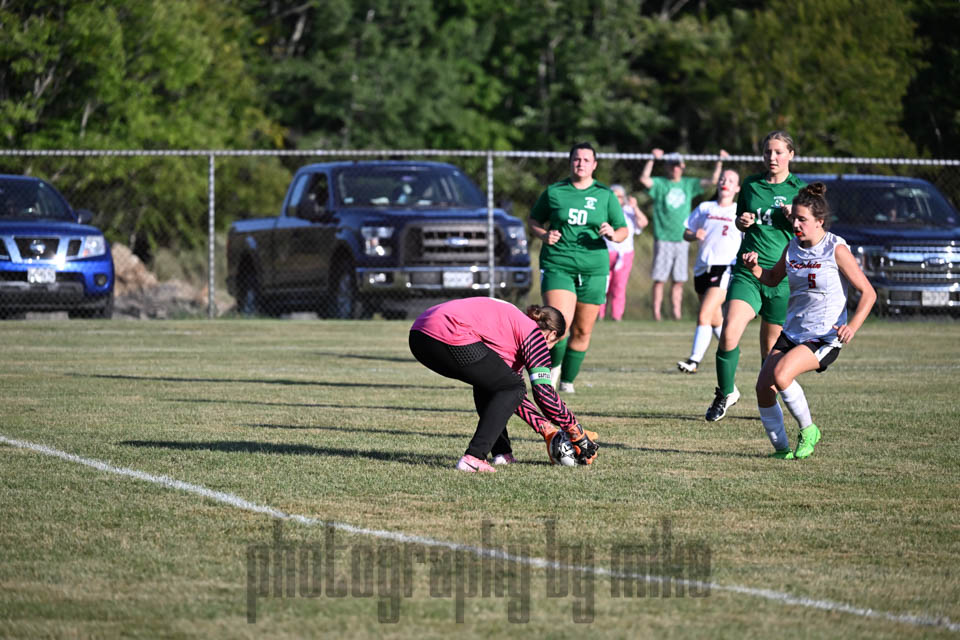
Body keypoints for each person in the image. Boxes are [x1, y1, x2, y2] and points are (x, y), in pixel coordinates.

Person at [742, 183, 876, 458]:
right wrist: (754, 267)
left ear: (820, 222)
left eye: (802, 219)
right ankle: (781, 451)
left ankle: (809, 430)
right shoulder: (792, 247)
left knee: (782, 376)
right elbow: (771, 278)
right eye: (794, 218)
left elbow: (868, 293)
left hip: (825, 336)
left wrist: (852, 327)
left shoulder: (835, 249)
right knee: (763, 389)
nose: (796, 224)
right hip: (793, 332)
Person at [408, 297, 600, 472]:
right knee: (512, 387)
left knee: (493, 384)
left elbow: (510, 394)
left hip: (419, 334)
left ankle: (502, 454)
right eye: (554, 343)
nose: (550, 348)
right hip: (449, 331)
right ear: (552, 335)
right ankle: (473, 457)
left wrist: (546, 428)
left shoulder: (511, 326)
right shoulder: (533, 334)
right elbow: (544, 394)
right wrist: (576, 431)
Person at [705, 131, 806, 422]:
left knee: (770, 352)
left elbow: (810, 233)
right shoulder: (751, 185)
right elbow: (742, 222)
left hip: (783, 276)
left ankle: (767, 404)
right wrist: (742, 221)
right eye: (767, 152)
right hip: (748, 273)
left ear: (791, 155)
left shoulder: (801, 189)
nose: (772, 158)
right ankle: (725, 392)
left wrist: (794, 220)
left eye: (778, 152)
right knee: (729, 332)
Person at [529, 142, 628, 393]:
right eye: (576, 159)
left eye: (586, 159)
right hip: (558, 263)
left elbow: (623, 229)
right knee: (557, 325)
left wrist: (613, 234)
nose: (580, 163)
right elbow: (534, 219)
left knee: (583, 330)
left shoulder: (604, 195)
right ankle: (548, 375)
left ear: (594, 165)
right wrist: (543, 234)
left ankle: (567, 382)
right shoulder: (555, 191)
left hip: (594, 268)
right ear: (570, 162)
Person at [640, 148, 729, 321]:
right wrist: (652, 159)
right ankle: (656, 314)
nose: (675, 169)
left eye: (678, 166)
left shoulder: (688, 184)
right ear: (667, 167)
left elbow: (712, 181)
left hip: (682, 238)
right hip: (663, 237)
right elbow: (644, 179)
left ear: (682, 167)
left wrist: (719, 161)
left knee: (678, 280)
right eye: (671, 166)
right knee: (659, 279)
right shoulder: (661, 184)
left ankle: (676, 313)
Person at [677, 169, 742, 373]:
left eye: (731, 180)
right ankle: (733, 351)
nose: (725, 182)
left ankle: (694, 361)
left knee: (704, 315)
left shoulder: (739, 212)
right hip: (702, 267)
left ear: (737, 188)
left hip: (724, 268)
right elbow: (686, 232)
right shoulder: (706, 207)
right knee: (714, 319)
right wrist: (694, 234)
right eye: (723, 178)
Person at [598, 184, 648, 321]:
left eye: (619, 196)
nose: (617, 199)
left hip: (624, 254)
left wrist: (635, 207)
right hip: (606, 253)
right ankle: (598, 314)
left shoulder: (628, 211)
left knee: (619, 286)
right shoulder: (603, 211)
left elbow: (643, 222)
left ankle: (616, 315)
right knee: (603, 285)